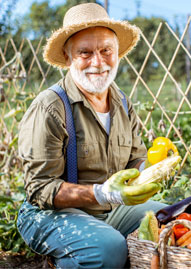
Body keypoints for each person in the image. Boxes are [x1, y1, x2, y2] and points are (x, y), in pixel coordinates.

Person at [17, 3, 167, 268]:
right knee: (109, 250)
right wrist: (103, 193)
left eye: (106, 50)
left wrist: (154, 166)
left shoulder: (121, 102)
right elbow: (39, 189)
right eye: (85, 53)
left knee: (170, 217)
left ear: (117, 53)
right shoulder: (50, 107)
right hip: (49, 214)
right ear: (67, 57)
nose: (98, 62)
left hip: (109, 210)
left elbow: (135, 161)